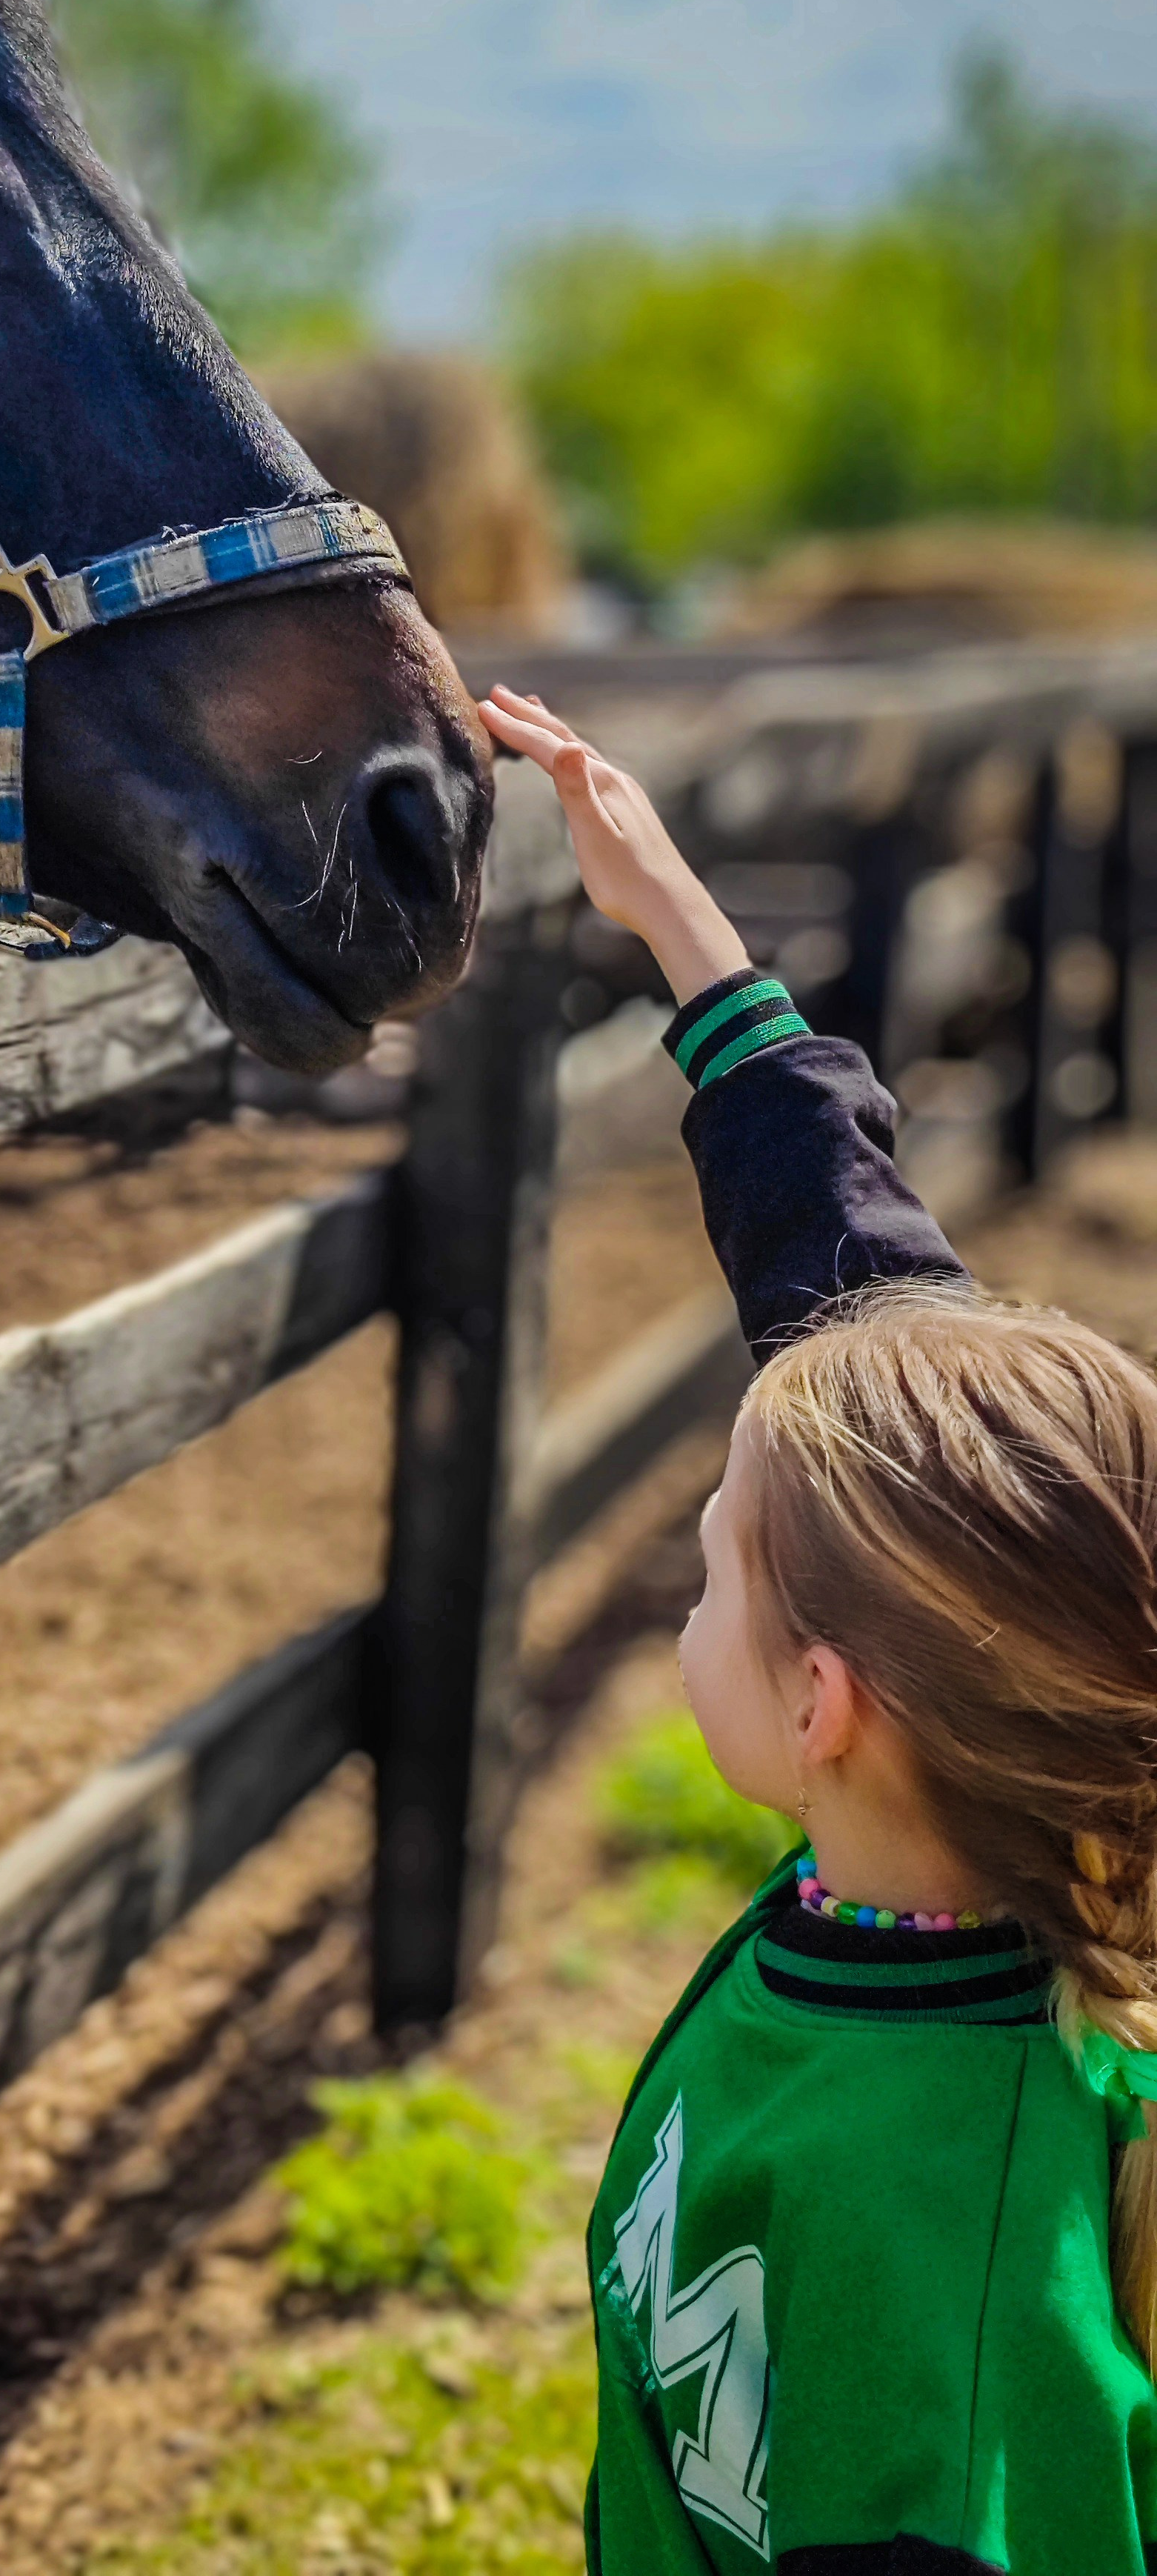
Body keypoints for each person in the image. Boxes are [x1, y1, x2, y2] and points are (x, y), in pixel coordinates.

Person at [479, 682, 1157, 2576]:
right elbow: (862, 1294)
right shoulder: (942, 1878)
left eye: (711, 1572)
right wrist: (681, 930)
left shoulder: (945, 2292)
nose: (687, 1606)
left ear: (826, 1701)